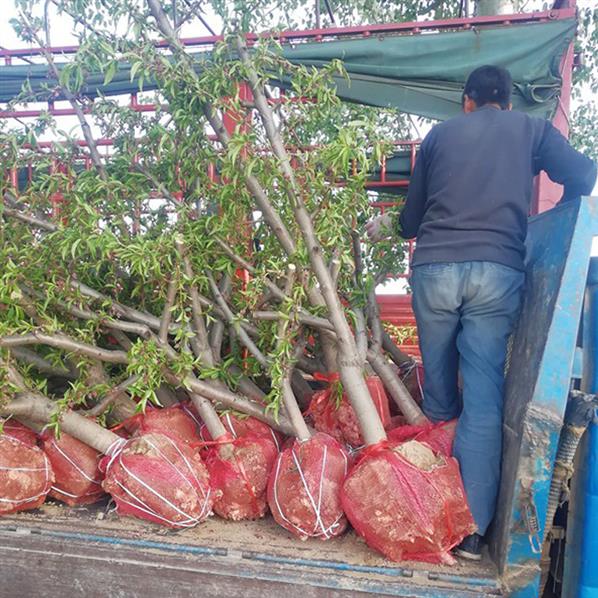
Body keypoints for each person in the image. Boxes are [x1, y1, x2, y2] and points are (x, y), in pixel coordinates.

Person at [366, 65, 597, 560]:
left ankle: (429, 515)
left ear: (467, 102)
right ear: (507, 103)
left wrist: (384, 226)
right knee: (485, 399)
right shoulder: (530, 129)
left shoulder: (439, 136)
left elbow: (411, 221)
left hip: (434, 273)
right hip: (496, 273)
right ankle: (471, 531)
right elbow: (582, 174)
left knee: (441, 396)